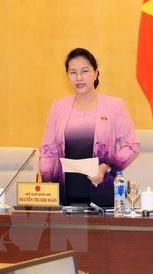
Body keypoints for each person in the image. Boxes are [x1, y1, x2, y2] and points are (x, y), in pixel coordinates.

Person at [39, 47, 140, 207]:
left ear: (96, 73)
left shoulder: (114, 105)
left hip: (101, 193)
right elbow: (47, 151)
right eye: (73, 72)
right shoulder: (58, 106)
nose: (79, 78)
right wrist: (47, 185)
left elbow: (132, 146)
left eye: (84, 71)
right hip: (64, 197)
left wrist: (106, 167)